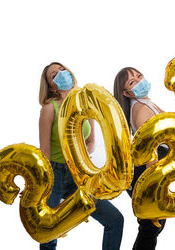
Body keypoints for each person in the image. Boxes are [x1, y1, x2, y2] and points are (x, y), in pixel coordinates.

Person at [39, 62, 124, 250]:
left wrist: (83, 161)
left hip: (79, 174)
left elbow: (91, 142)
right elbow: (44, 150)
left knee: (115, 220)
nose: (61, 74)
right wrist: (39, 186)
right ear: (52, 85)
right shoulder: (49, 108)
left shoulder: (85, 104)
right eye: (54, 75)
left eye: (62, 70)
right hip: (54, 173)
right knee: (48, 234)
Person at [113, 67, 169, 250]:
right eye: (132, 82)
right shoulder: (141, 109)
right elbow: (150, 148)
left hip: (147, 169)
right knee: (151, 225)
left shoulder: (146, 103)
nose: (139, 81)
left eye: (139, 76)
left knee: (153, 225)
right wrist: (151, 184)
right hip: (146, 170)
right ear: (125, 92)